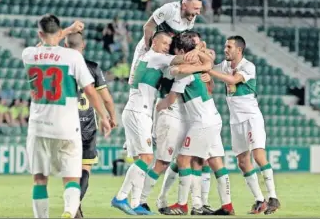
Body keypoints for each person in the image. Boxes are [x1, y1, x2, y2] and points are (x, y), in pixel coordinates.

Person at [22, 14, 111, 218]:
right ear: (59, 33)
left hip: (38, 128)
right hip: (67, 128)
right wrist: (104, 117)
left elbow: (43, 46)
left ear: (39, 33)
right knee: (71, 179)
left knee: (39, 180)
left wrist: (68, 30)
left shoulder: (28, 54)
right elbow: (90, 91)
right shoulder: (73, 57)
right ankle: (69, 213)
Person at [110, 31, 199, 215]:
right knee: (147, 158)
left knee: (138, 160)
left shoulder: (150, 59)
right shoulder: (156, 57)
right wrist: (198, 50)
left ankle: (135, 204)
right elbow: (180, 60)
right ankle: (120, 197)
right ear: (154, 43)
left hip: (136, 110)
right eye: (165, 43)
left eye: (169, 44)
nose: (167, 47)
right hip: (138, 112)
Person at [156, 32, 234, 215]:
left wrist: (155, 110)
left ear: (181, 51)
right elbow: (208, 62)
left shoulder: (184, 73)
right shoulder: (199, 67)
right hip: (212, 118)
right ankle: (226, 206)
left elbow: (170, 100)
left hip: (202, 122)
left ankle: (182, 204)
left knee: (183, 159)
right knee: (214, 161)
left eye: (177, 52)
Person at [207, 35, 280, 214]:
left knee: (258, 155)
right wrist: (204, 55)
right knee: (242, 161)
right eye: (225, 46)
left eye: (229, 47)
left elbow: (232, 80)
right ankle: (259, 200)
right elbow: (210, 69)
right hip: (235, 120)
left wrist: (208, 71)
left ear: (239, 50)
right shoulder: (224, 66)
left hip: (251, 117)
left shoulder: (248, 66)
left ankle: (273, 197)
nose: (226, 50)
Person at [65, 31, 117, 218]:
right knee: (85, 169)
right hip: (87, 127)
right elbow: (107, 99)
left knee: (70, 171)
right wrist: (111, 117)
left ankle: (72, 205)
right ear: (83, 45)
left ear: (65, 47)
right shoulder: (93, 67)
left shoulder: (61, 67)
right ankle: (75, 205)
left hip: (65, 125)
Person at [128, 0, 203, 86]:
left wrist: (196, 50)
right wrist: (149, 51)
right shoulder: (169, 9)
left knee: (157, 86)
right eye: (196, 8)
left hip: (166, 52)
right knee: (135, 83)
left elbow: (190, 38)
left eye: (199, 9)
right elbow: (148, 27)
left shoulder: (192, 16)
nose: (198, 12)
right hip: (149, 48)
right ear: (184, 5)